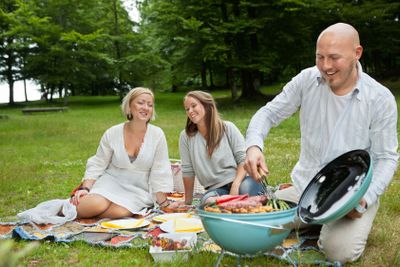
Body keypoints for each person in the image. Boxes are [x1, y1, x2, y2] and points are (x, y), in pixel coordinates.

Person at [244, 22, 398, 264]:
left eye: (334, 58)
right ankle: (308, 219)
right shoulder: (307, 80)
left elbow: (387, 157)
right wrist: (253, 146)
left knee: (339, 252)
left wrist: (364, 199)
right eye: (320, 57)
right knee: (254, 229)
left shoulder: (380, 98)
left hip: (350, 194)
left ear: (357, 53)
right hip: (305, 186)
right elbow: (268, 114)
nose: (326, 66)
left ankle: (332, 222)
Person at [70, 87, 174, 218]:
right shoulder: (113, 132)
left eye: (150, 105)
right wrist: (85, 188)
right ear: (129, 106)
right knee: (96, 205)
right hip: (111, 181)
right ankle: (65, 211)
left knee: (119, 212)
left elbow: (160, 170)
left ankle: (93, 215)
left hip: (139, 188)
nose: (146, 108)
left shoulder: (157, 134)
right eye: (141, 103)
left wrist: (164, 203)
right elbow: (98, 162)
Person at [179, 90, 262, 205]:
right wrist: (187, 202)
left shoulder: (228, 128)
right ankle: (239, 206)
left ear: (207, 105)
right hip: (216, 190)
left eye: (194, 106)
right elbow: (188, 171)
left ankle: (236, 206)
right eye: (187, 109)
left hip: (241, 180)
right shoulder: (186, 137)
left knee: (245, 191)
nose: (190, 111)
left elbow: (243, 159)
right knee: (207, 202)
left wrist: (235, 185)